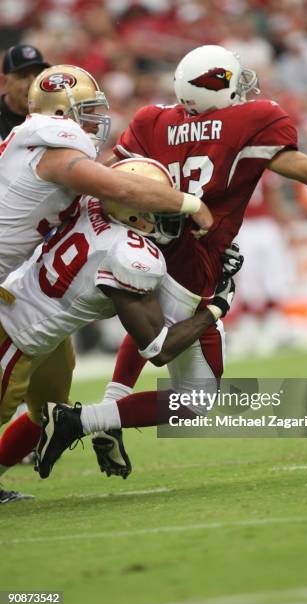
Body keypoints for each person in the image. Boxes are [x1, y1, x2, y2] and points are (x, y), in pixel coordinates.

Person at [45, 44, 307, 478]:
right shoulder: (252, 119)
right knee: (196, 398)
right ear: (217, 85)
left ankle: (108, 411)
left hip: (142, 253)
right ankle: (85, 419)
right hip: (194, 268)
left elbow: (119, 182)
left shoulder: (153, 119)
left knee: (148, 325)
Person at [0, 63, 212, 502]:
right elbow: (126, 190)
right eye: (86, 112)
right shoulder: (62, 156)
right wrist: (191, 204)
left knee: (48, 405)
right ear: (61, 114)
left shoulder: (52, 160)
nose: (95, 122)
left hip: (24, 293)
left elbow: (116, 182)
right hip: (20, 321)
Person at [0, 158, 234, 485]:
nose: (168, 216)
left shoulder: (90, 202)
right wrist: (219, 305)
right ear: (133, 213)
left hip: (37, 320)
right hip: (16, 335)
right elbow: (157, 348)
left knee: (46, 411)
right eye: (157, 207)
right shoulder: (130, 254)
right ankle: (84, 420)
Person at [0, 44, 49, 142]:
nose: (33, 84)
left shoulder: (54, 114)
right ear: (4, 82)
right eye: (23, 76)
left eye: (38, 75)